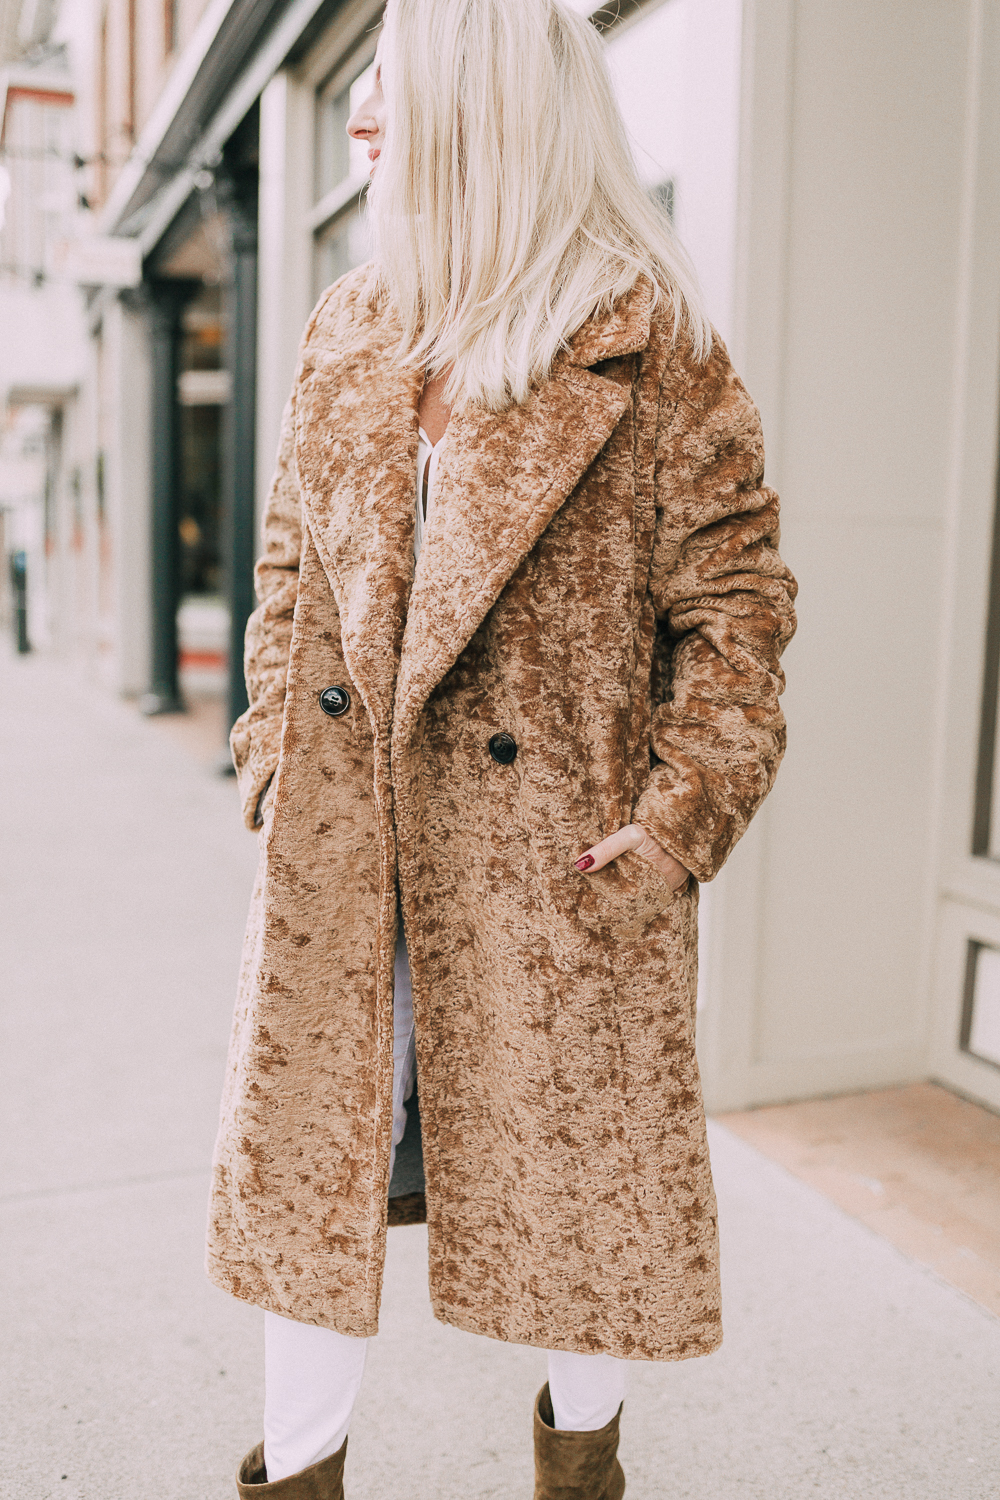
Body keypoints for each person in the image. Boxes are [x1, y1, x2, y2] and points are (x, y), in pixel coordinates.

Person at [206, 0, 797, 1494]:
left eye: (389, 95)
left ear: (487, 115)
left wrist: (675, 823)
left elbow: (737, 611)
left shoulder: (648, 343)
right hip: (349, 849)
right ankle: (299, 1471)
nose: (358, 124)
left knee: (578, 1218)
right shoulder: (350, 324)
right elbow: (290, 567)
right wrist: (274, 750)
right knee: (310, 1203)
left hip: (554, 870)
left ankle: (579, 1471)